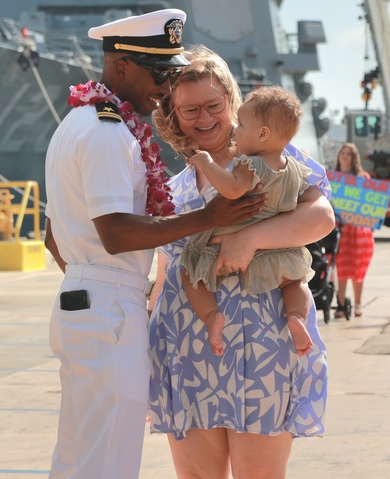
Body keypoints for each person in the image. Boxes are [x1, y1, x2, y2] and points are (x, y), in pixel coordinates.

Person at [43, 11, 266, 479]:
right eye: (160, 74)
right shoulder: (106, 132)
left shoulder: (78, 124)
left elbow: (52, 236)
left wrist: (92, 279)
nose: (165, 89)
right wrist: (208, 217)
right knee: (108, 463)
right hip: (108, 312)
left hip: (91, 302)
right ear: (121, 65)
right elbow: (116, 232)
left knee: (81, 455)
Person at [148, 45, 333, 479]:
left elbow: (321, 218)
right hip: (187, 344)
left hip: (265, 338)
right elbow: (165, 271)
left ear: (231, 100)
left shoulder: (275, 159)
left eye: (213, 105)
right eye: (189, 109)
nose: (205, 118)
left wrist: (250, 239)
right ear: (173, 114)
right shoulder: (172, 188)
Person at [184, 86, 315, 356]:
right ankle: (296, 318)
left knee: (191, 272)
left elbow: (232, 190)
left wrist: (207, 164)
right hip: (279, 252)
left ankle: (212, 318)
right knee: (295, 283)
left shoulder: (250, 164)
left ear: (262, 134)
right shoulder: (294, 169)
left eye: (241, 124)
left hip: (226, 248)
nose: (235, 130)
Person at [329, 142, 374, 318]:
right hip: (339, 229)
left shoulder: (362, 177)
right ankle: (340, 304)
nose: (345, 156)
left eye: (349, 154)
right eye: (343, 153)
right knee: (340, 266)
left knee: (358, 267)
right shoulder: (332, 178)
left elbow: (369, 205)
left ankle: (357, 303)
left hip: (359, 230)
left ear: (354, 158)